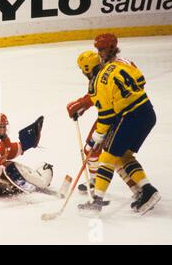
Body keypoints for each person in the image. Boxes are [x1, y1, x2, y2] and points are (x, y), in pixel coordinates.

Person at [68, 33, 160, 215]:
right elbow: (140, 82)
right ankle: (143, 190)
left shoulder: (101, 75)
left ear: (111, 48)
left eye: (102, 49)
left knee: (108, 156)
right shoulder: (123, 62)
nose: (100, 53)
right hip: (145, 110)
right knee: (122, 156)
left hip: (126, 116)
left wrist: (98, 129)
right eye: (98, 50)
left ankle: (97, 198)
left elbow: (105, 111)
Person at [67, 51, 141, 200]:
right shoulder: (106, 69)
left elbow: (99, 96)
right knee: (99, 150)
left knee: (113, 154)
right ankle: (97, 180)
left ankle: (138, 188)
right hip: (121, 114)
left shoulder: (104, 74)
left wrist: (82, 104)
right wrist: (82, 105)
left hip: (117, 117)